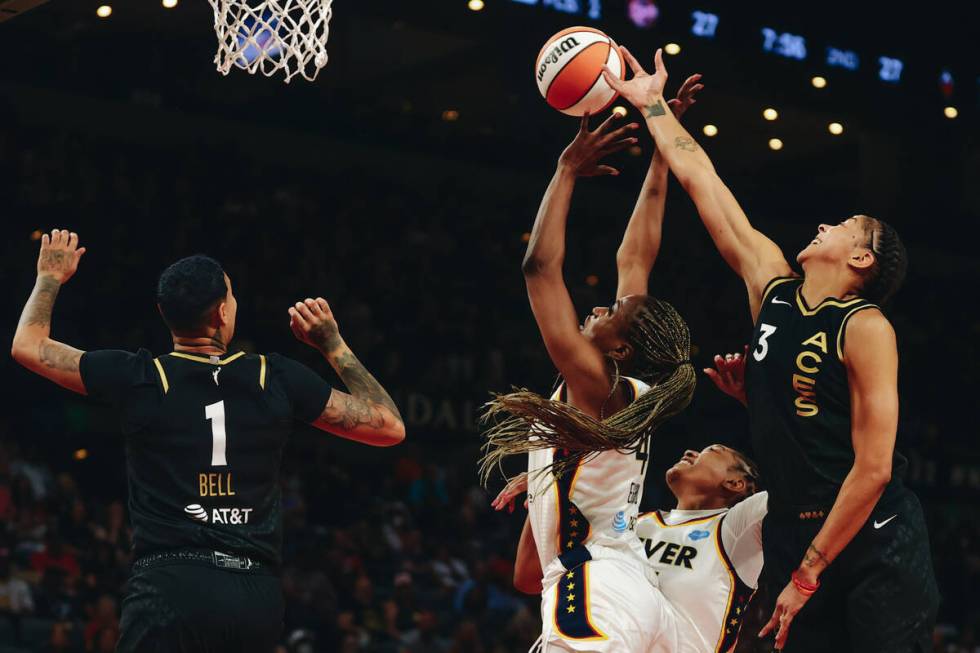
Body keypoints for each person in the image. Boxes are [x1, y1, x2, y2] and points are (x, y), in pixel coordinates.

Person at [602, 48, 939, 652]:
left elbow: (873, 468)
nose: (825, 225)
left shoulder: (865, 326)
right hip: (790, 524)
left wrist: (808, 574)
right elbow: (704, 181)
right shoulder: (773, 289)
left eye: (844, 226)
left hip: (871, 534)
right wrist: (652, 104)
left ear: (861, 259)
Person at [11, 230, 405, 652]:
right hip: (253, 595)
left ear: (164, 311)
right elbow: (388, 426)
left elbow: (28, 346)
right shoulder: (276, 378)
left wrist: (49, 277)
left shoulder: (140, 377)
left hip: (169, 587)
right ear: (221, 312)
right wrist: (332, 343)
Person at [481, 77, 703, 652]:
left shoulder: (597, 385)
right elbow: (637, 255)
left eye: (612, 312)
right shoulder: (623, 388)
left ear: (620, 348)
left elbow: (538, 270)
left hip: (599, 583)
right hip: (626, 583)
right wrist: (660, 151)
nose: (602, 303)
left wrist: (566, 171)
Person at [496, 351, 769, 653]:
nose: (692, 451)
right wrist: (546, 490)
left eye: (712, 450)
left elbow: (798, 486)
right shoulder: (631, 525)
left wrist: (753, 401)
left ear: (735, 483)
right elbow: (530, 578)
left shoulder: (737, 529)